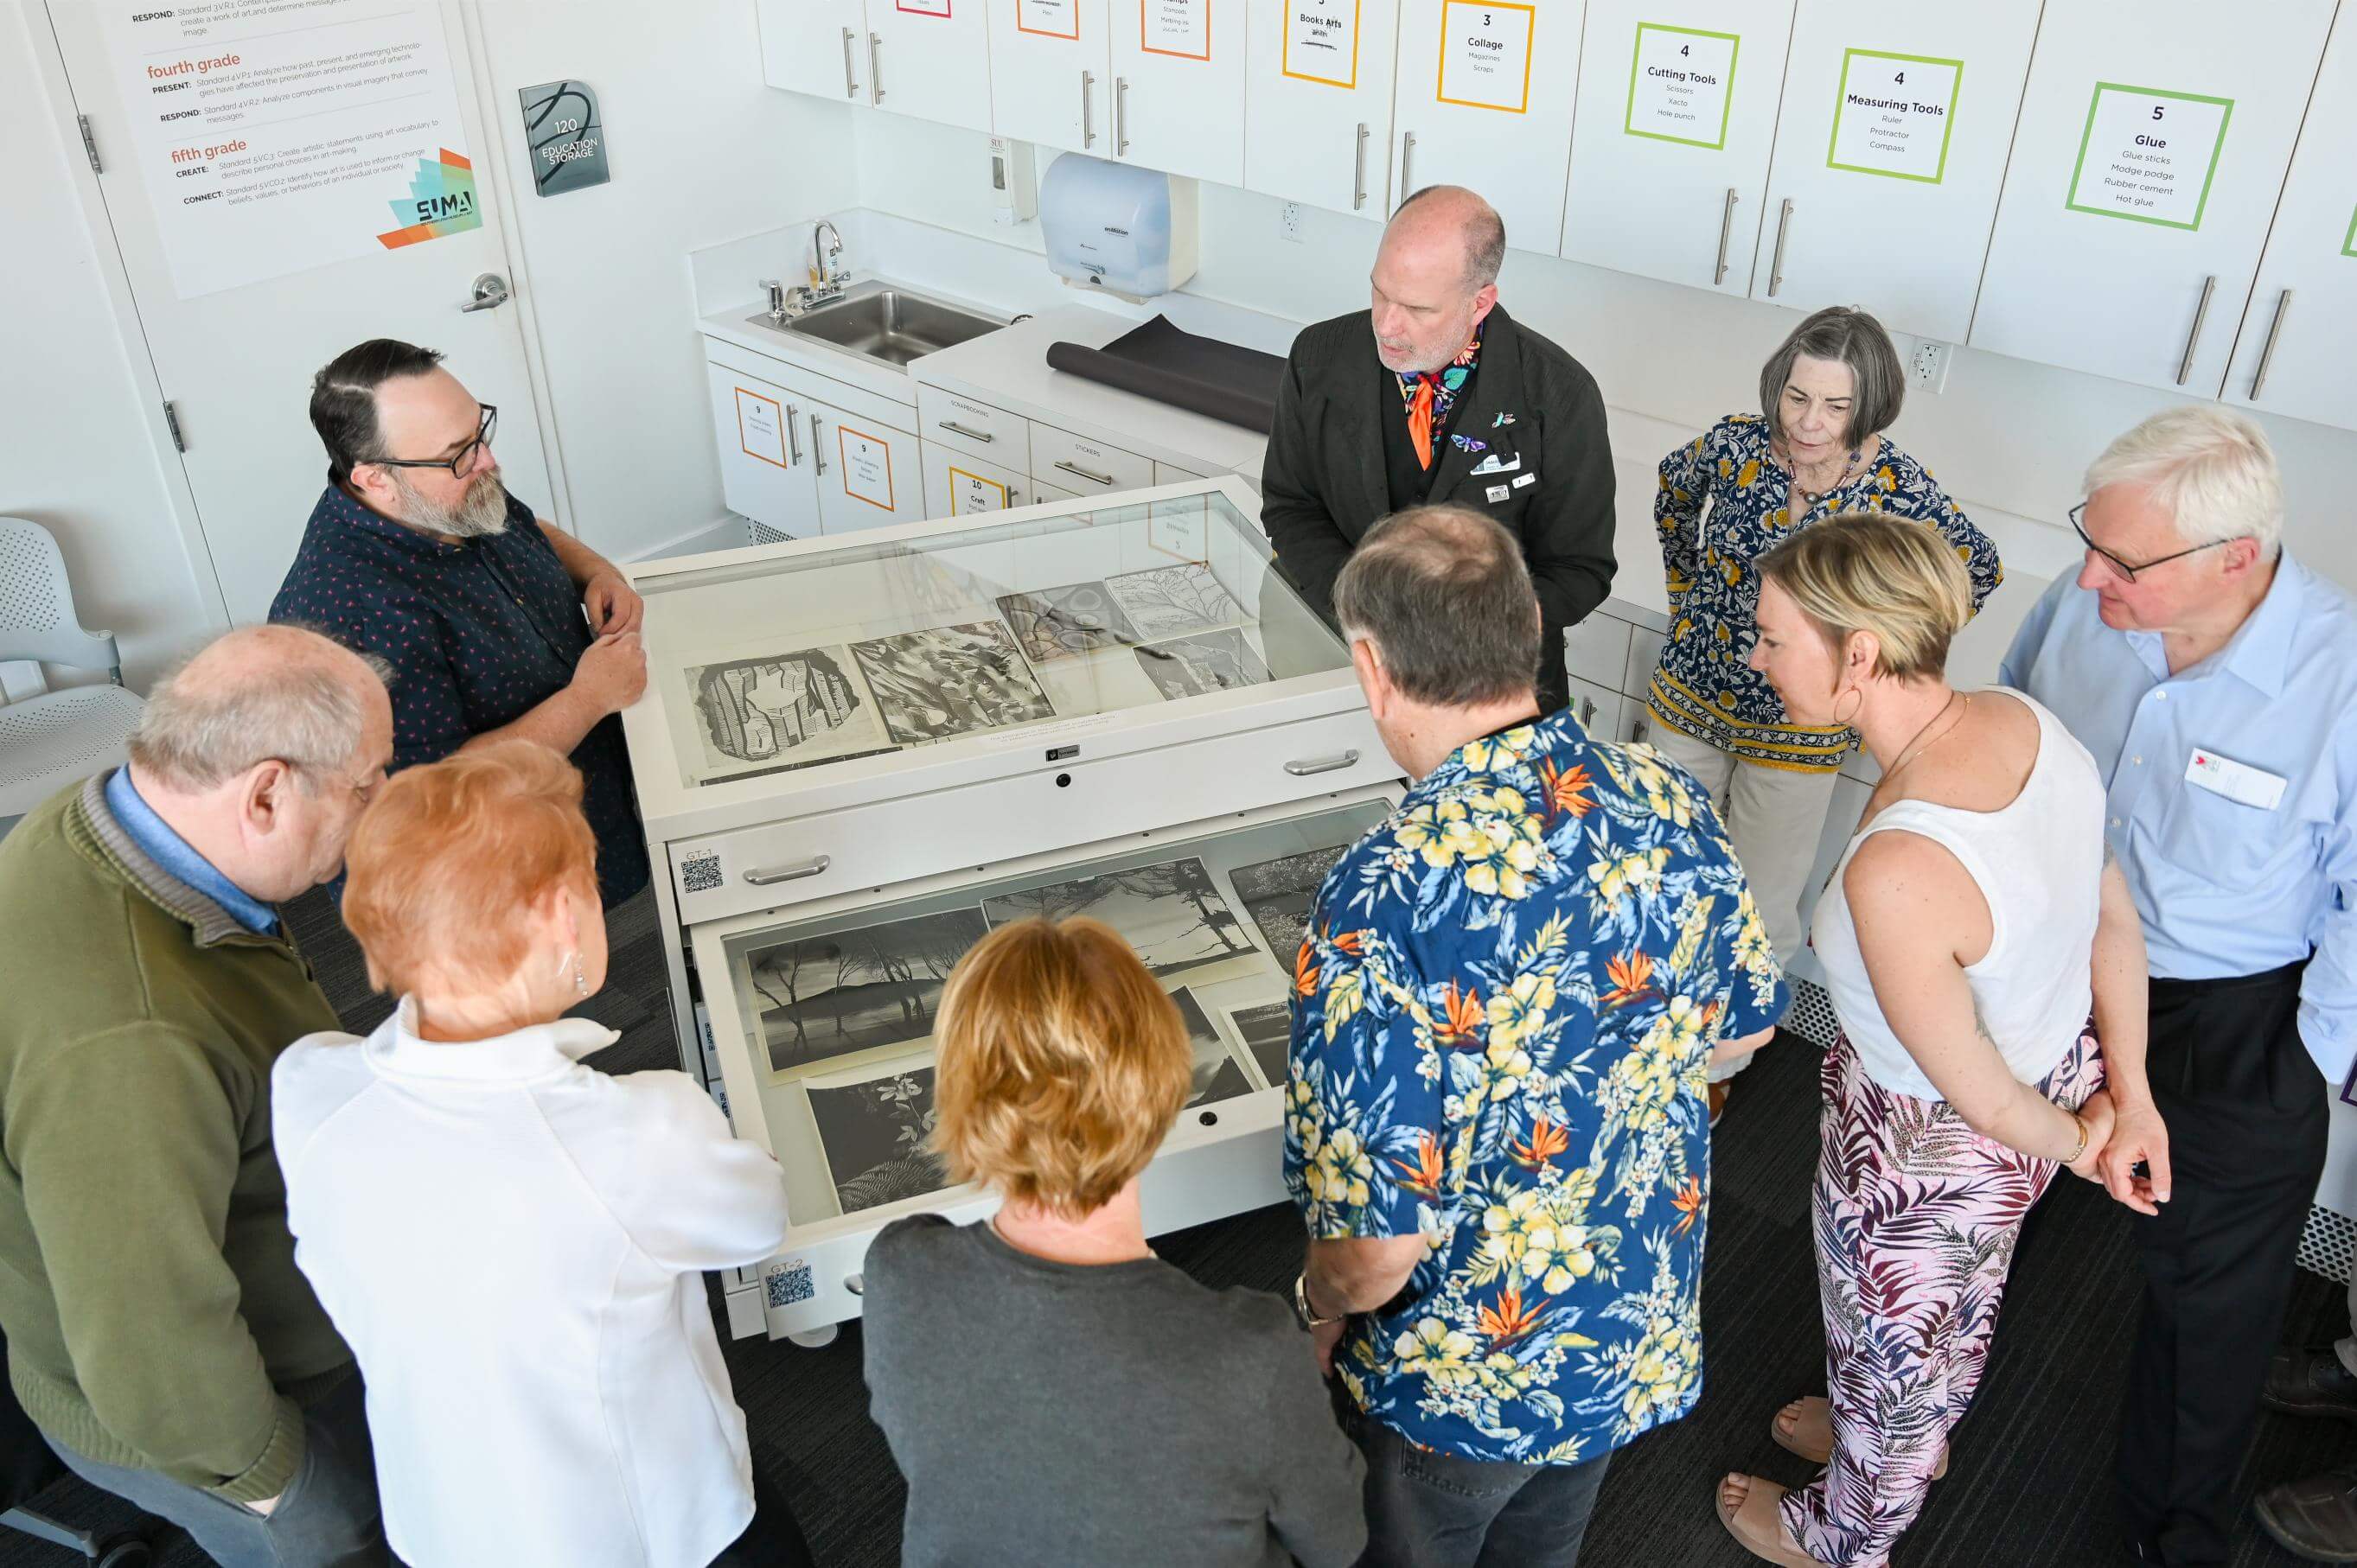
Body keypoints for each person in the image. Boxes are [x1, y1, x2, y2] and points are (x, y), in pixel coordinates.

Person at [1285, 504, 1786, 1567]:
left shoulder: (1382, 892)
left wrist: (1312, 1303)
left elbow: (1374, 1252)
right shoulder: (1669, 799)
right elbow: (1743, 1029)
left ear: (1372, 669)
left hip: (1465, 1371)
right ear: (1525, 634)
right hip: (1623, 1312)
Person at [1713, 513, 2150, 1566]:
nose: (1754, 656)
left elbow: (1976, 1096)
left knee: (1885, 1335)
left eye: (1773, 637)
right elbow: (2114, 920)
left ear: (1856, 654)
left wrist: (2087, 1145)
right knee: (1945, 1320)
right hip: (2052, 1084)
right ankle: (1906, 1439)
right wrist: (2120, 1099)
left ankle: (1845, 1529)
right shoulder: (2030, 723)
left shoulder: (1896, 868)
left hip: (1929, 1144)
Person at [271, 741, 807, 1568]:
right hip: (649, 1531)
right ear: (563, 911)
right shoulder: (645, 1131)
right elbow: (759, 1222)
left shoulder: (309, 1086)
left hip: (441, 1516)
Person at [2001, 406, 2357, 1567]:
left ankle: (2168, 1539)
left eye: (2126, 561)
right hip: (2052, 966)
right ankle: (1908, 1432)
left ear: (2236, 558)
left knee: (2207, 1314)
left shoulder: (2341, 674)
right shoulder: (2082, 599)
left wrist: (2310, 1051)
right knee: (1981, 1217)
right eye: (2088, 540)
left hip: (2231, 1016)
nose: (2089, 573)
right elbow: (2009, 724)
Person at [0, 625, 394, 1565]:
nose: (381, 805)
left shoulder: (112, 816)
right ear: (262, 792)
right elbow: (153, 1358)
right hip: (229, 1412)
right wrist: (288, 1482)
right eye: (366, 783)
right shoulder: (135, 1044)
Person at [861, 915, 1366, 1567]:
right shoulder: (1253, 1355)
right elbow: (1338, 1543)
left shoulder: (900, 1270)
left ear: (959, 1089)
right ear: (1161, 1085)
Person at [1645, 306, 2003, 1122]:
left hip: (1798, 729)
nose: (1807, 423)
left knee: (1761, 903)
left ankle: (1717, 1063)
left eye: (1834, 407)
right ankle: (1644, 1035)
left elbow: (1975, 569)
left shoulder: (1897, 489)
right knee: (1666, 878)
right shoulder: (1737, 444)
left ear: (1866, 407)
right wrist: (1687, 600)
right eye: (1797, 397)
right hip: (1692, 696)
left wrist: (1878, 656)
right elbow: (1673, 491)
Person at [269, 337, 651, 908]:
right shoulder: (355, 615)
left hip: (573, 801)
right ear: (375, 478)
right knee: (552, 987)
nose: (488, 461)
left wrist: (595, 571)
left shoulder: (440, 487)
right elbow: (435, 791)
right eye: (460, 452)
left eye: (481, 433)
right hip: (484, 882)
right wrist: (590, 699)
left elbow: (519, 522)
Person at [1259, 185, 1616, 715]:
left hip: (1491, 687)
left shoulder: (1559, 397)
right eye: (1380, 292)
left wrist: (1462, 638)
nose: (1385, 324)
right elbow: (1292, 505)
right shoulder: (1318, 357)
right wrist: (1367, 617)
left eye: (1417, 308)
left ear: (1480, 303)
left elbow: (1578, 570)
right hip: (1338, 655)